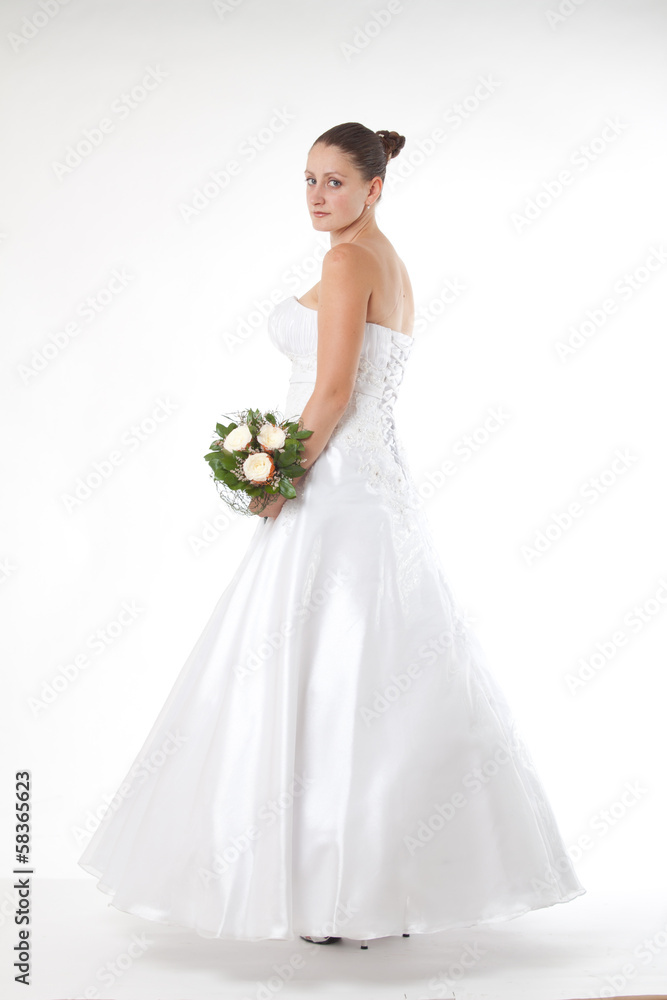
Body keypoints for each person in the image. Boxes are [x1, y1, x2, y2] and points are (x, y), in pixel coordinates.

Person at [78, 122, 585, 950]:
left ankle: (330, 893)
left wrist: (276, 481)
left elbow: (334, 389)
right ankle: (376, 894)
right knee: (374, 676)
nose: (317, 196)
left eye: (335, 183)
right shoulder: (388, 261)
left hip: (338, 488)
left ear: (375, 186)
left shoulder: (347, 261)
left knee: (319, 674)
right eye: (308, 180)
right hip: (375, 486)